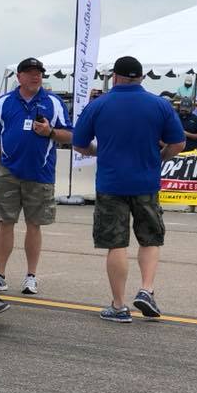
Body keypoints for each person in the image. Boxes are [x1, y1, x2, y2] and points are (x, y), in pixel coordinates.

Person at [72, 56, 185, 323]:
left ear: (115, 77)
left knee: (116, 244)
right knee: (150, 238)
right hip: (145, 182)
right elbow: (178, 144)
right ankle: (146, 289)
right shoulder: (160, 105)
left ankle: (119, 305)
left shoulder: (98, 105)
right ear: (141, 77)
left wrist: (99, 151)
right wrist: (159, 158)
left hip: (111, 183)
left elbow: (79, 144)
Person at [0, 57, 72, 295]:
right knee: (5, 223)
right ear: (19, 77)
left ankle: (31, 276)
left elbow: (70, 136)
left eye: (39, 73)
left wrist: (50, 131)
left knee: (35, 225)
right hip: (9, 175)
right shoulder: (3, 102)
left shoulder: (53, 102)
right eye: (30, 72)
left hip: (40, 173)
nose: (36, 76)